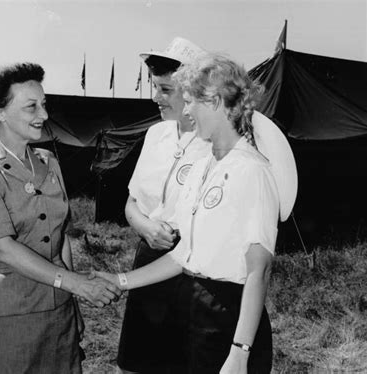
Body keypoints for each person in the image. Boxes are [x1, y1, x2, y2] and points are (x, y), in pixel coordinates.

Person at [97, 53, 298, 374]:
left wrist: (240, 353)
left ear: (216, 102)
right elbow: (184, 256)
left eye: (190, 102)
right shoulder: (203, 167)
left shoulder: (253, 171)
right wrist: (119, 280)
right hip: (196, 310)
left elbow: (258, 272)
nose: (186, 111)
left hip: (232, 315)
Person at [0, 62, 121, 373]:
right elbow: (2, 247)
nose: (44, 115)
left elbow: (61, 238)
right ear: (0, 112)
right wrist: (75, 283)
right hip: (7, 314)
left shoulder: (49, 162)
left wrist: (71, 299)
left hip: (57, 314)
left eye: (43, 105)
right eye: (31, 106)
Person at [117, 37, 211, 373]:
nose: (155, 98)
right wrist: (144, 226)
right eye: (154, 87)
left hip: (194, 272)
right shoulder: (155, 136)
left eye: (165, 89)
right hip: (149, 261)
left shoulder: (214, 141)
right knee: (139, 363)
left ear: (192, 91)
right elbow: (131, 202)